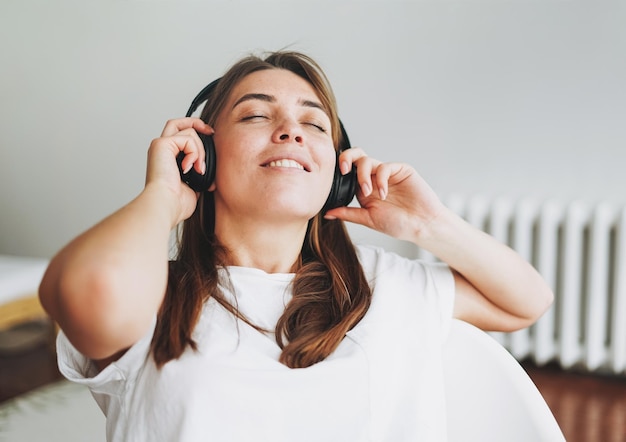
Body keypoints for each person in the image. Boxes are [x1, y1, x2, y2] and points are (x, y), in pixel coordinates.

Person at [39, 50, 553, 442]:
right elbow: (91, 292)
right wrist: (164, 194)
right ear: (205, 158)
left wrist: (429, 225)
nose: (290, 131)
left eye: (313, 123)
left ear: (337, 177)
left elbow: (527, 301)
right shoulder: (151, 291)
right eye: (256, 116)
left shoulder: (381, 286)